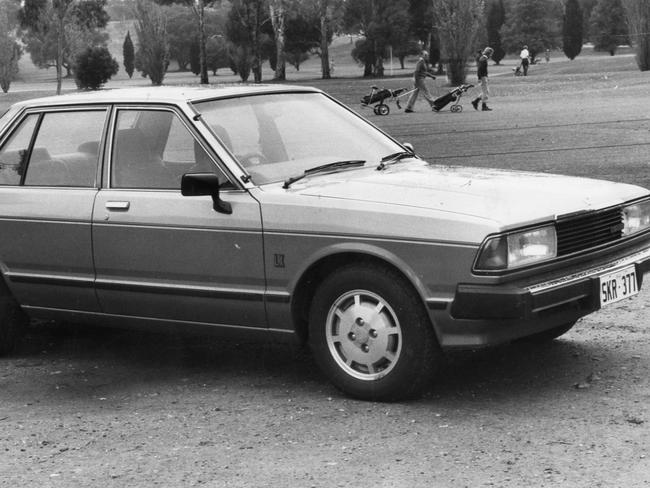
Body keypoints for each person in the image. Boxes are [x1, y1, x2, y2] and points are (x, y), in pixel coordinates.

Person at [471, 47, 493, 112]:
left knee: (486, 91)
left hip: (484, 77)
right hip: (482, 77)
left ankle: (475, 101)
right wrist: (479, 78)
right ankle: (484, 106)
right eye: (491, 54)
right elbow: (479, 70)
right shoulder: (483, 59)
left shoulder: (484, 58)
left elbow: (483, 69)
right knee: (485, 92)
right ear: (489, 53)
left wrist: (487, 76)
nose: (491, 55)